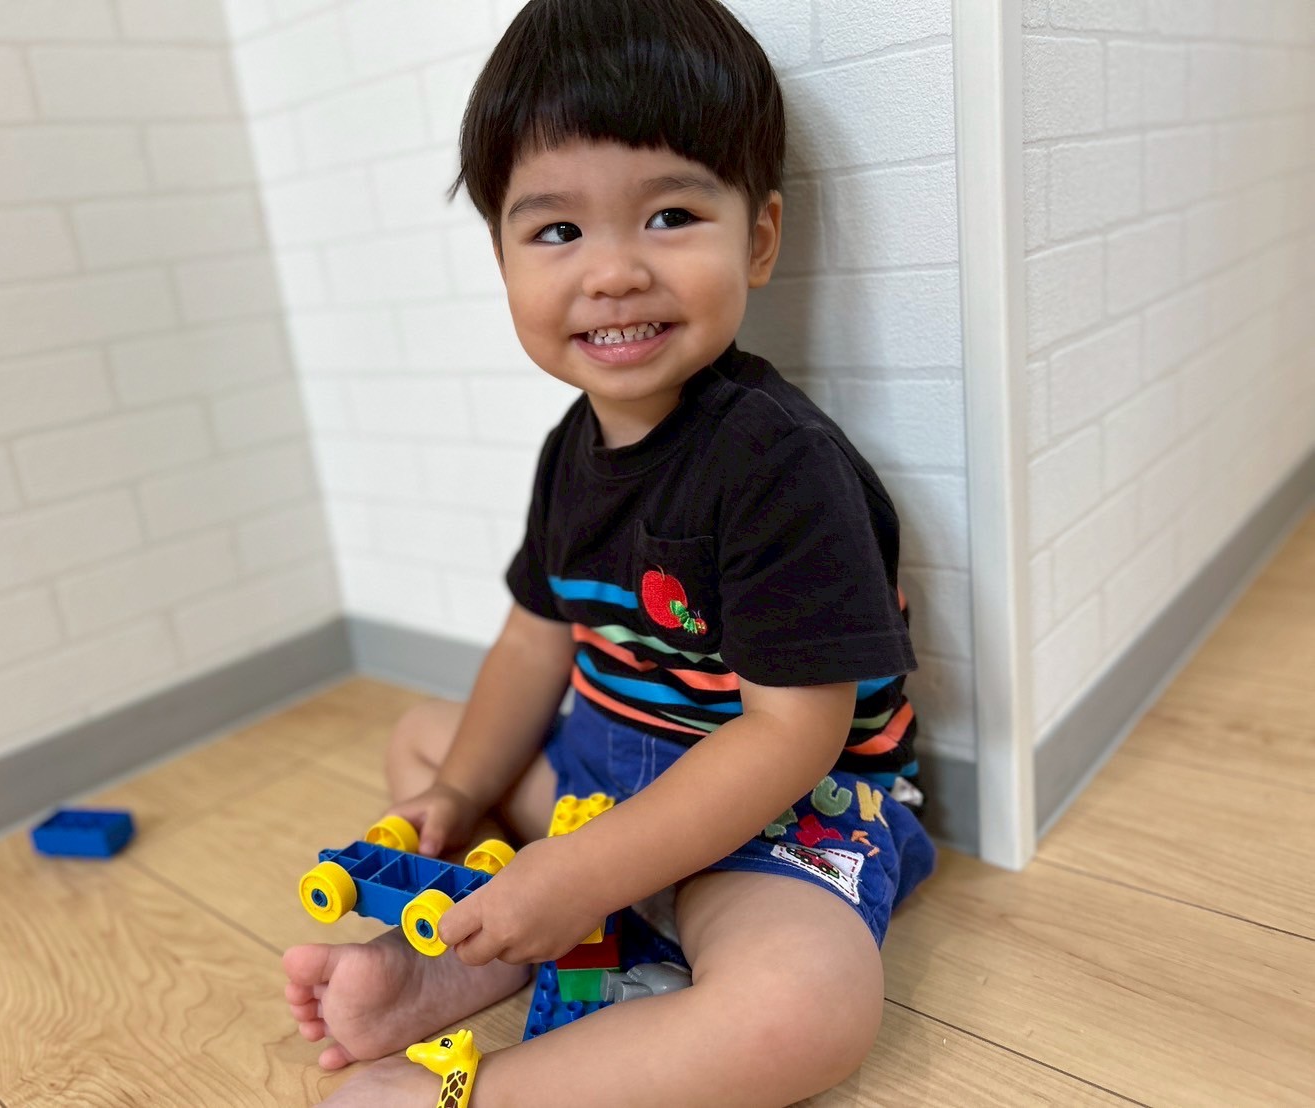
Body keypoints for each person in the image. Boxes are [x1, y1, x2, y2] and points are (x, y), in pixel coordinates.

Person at [283, 1, 936, 1103]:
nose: (614, 272)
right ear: (501, 258)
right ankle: (482, 948)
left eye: (669, 215)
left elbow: (793, 733)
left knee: (803, 1010)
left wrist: (582, 869)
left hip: (773, 815)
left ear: (758, 238)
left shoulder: (779, 464)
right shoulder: (568, 451)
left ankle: (477, 1077)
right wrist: (459, 795)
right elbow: (531, 644)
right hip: (601, 777)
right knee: (427, 742)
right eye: (557, 232)